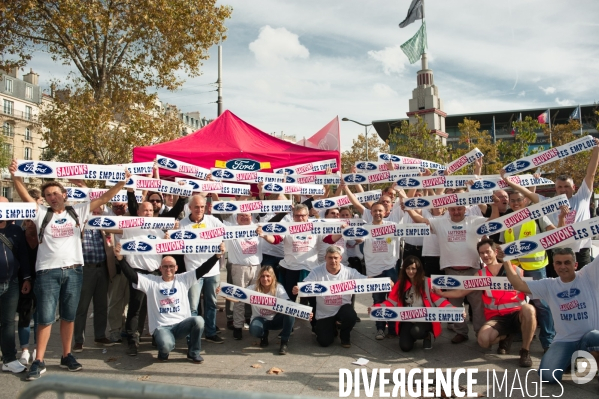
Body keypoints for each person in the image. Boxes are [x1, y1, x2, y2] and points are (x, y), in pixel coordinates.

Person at [9, 160, 129, 380]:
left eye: (55, 193)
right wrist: (16, 176)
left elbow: (103, 199)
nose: (52, 197)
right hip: (47, 273)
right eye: (48, 195)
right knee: (45, 319)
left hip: (74, 271)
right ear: (45, 199)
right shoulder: (41, 213)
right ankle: (39, 360)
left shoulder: (78, 211)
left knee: (68, 317)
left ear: (64, 194)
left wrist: (121, 183)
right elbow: (25, 195)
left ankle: (67, 356)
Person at [502, 246, 599, 384]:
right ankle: (568, 360)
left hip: (592, 336)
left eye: (567, 262)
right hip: (565, 340)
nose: (563, 266)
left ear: (575, 264)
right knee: (547, 377)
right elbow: (518, 284)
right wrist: (505, 259)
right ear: (553, 265)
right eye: (558, 263)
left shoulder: (588, 275)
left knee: (594, 337)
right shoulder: (549, 285)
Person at [404, 189, 490, 344]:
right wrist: (408, 208)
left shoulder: (475, 220)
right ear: (448, 210)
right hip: (450, 271)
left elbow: (494, 222)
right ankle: (461, 332)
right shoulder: (440, 222)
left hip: (473, 271)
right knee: (455, 305)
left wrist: (495, 205)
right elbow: (419, 219)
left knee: (477, 306)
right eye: (452, 209)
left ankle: (480, 333)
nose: (456, 211)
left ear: (465, 208)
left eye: (459, 208)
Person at [115, 243, 224, 363]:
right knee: (167, 345)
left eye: (171, 266)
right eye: (165, 266)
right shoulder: (151, 282)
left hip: (180, 326)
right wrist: (120, 259)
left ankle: (193, 352)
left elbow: (203, 269)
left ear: (176, 268)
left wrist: (217, 256)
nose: (168, 269)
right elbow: (132, 276)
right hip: (162, 327)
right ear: (160, 268)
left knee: (198, 320)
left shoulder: (183, 279)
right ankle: (163, 352)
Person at [500, 137, 599, 270]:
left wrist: (596, 150)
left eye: (566, 186)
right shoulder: (548, 203)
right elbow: (528, 194)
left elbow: (590, 175)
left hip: (580, 251)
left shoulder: (582, 197)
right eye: (560, 187)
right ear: (555, 188)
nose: (563, 189)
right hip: (557, 251)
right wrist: (509, 181)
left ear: (574, 187)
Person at [435, 239, 536, 367]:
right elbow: (461, 292)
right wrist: (442, 294)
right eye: (482, 253)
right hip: (497, 317)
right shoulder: (480, 274)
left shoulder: (515, 269)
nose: (485, 256)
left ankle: (525, 351)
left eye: (488, 252)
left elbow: (529, 290)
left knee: (530, 310)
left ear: (495, 252)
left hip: (516, 313)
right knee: (483, 341)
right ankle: (506, 336)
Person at [498, 190, 559, 353]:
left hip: (535, 269)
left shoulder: (537, 215)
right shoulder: (507, 220)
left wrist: (561, 220)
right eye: (512, 200)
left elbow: (554, 233)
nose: (516, 203)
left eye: (519, 200)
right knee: (514, 303)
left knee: (541, 305)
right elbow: (503, 244)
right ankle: (518, 333)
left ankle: (548, 341)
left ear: (526, 200)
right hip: (515, 270)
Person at [373, 256, 453, 352]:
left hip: (425, 319)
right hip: (408, 319)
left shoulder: (428, 282)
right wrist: (375, 308)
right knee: (405, 347)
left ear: (418, 269)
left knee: (416, 332)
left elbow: (440, 301)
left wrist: (454, 310)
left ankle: (427, 335)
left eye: (413, 268)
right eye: (408, 268)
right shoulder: (400, 284)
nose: (410, 271)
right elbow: (391, 302)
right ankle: (411, 336)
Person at [292, 246, 366, 348]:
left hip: (343, 308)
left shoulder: (349, 271)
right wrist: (298, 288)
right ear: (325, 257)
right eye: (330, 257)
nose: (333, 260)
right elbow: (306, 283)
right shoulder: (317, 271)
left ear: (340, 258)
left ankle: (345, 336)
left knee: (351, 315)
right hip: (325, 313)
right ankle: (332, 328)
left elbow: (365, 280)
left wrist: (383, 282)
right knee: (324, 342)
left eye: (335, 258)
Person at [180, 195, 224, 344]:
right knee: (192, 306)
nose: (199, 210)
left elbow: (228, 234)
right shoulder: (181, 224)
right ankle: (192, 336)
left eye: (202, 207)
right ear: (190, 207)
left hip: (212, 271)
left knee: (211, 304)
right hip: (193, 271)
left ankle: (210, 332)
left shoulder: (213, 221)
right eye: (196, 207)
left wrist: (223, 244)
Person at [72, 204, 115, 352]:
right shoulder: (79, 226)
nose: (96, 212)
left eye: (98, 211)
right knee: (82, 307)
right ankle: (78, 340)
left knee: (101, 305)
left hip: (102, 268)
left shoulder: (103, 227)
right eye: (93, 210)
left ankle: (100, 335)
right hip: (85, 270)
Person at [0, 196, 31, 374]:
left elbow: (23, 255)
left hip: (11, 283)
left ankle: (9, 359)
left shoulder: (15, 230)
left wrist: (26, 278)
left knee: (8, 322)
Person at [248, 266, 297, 355]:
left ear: (272, 277)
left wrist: (306, 313)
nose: (265, 279)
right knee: (254, 330)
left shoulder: (278, 287)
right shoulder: (252, 288)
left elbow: (288, 303)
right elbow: (238, 297)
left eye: (268, 276)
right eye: (262, 276)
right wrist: (224, 293)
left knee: (291, 310)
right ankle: (264, 335)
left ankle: (284, 342)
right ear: (259, 277)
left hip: (276, 319)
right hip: (260, 319)